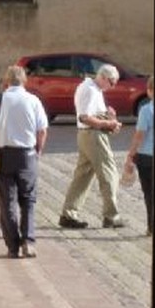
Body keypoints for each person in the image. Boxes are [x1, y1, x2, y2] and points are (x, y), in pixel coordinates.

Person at [0, 65, 49, 258]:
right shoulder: (33, 100)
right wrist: (38, 149)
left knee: (8, 202)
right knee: (28, 199)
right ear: (24, 81)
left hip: (5, 154)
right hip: (27, 154)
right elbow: (42, 129)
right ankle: (28, 241)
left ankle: (12, 245)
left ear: (6, 81)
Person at [58, 63, 124, 229]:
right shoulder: (90, 89)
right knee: (109, 173)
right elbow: (85, 117)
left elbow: (92, 115)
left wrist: (110, 118)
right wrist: (108, 123)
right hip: (92, 135)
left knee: (82, 176)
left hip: (87, 135)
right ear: (102, 77)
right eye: (112, 82)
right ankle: (111, 216)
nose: (113, 86)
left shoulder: (93, 88)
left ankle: (69, 213)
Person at [124, 75, 155, 235]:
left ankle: (152, 226)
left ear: (150, 91)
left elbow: (140, 135)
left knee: (150, 193)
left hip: (147, 156)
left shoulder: (147, 110)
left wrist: (131, 155)